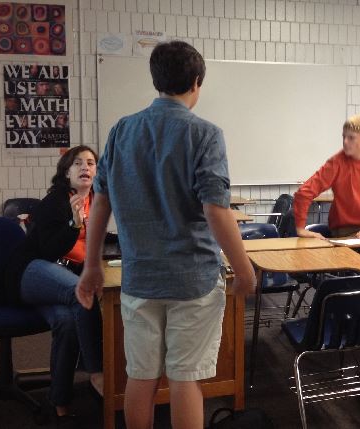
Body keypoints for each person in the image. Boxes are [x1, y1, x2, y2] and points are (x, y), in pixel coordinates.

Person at [75, 41, 256, 429]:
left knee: (140, 377)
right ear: (196, 82)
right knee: (184, 379)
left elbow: (100, 205)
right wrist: (244, 269)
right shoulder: (205, 134)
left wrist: (92, 266)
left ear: (155, 80)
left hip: (139, 278)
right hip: (192, 280)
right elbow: (215, 210)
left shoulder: (122, 130)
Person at [4, 145, 104, 423]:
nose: (85, 167)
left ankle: (59, 404)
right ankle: (97, 372)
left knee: (67, 322)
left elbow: (97, 239)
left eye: (91, 163)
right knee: (81, 294)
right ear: (67, 172)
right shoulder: (56, 201)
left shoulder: (96, 200)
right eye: (78, 163)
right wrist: (74, 224)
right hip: (30, 271)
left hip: (59, 279)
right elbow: (48, 250)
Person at [292, 115, 360, 239]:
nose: (345, 141)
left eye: (351, 138)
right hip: (345, 230)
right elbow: (303, 193)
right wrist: (301, 229)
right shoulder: (336, 162)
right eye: (344, 137)